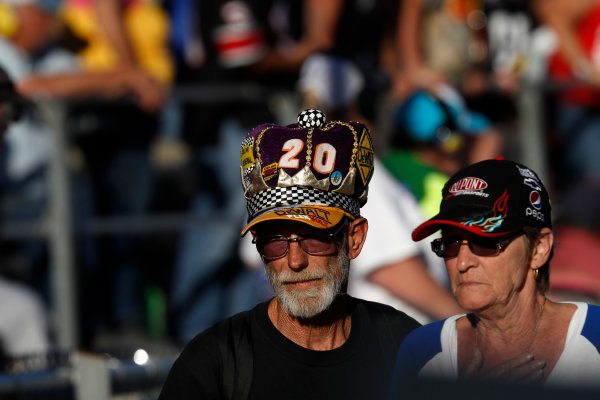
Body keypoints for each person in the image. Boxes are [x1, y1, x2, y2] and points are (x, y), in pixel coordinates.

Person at [159, 109, 421, 399]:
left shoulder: (402, 345)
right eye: (274, 241)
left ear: (354, 238)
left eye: (315, 237)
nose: (294, 261)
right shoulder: (213, 364)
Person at [389, 158, 600, 397]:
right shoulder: (422, 350)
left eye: (485, 242)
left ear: (538, 249)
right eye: (450, 243)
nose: (462, 262)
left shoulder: (595, 333)